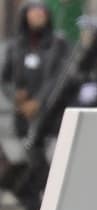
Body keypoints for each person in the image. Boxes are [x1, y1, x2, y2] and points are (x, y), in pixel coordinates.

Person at [1, 0, 69, 138]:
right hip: (22, 113)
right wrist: (16, 96)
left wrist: (38, 101)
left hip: (50, 112)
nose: (38, 15)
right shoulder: (15, 46)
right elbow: (5, 78)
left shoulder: (58, 43)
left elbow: (59, 76)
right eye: (33, 11)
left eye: (41, 12)